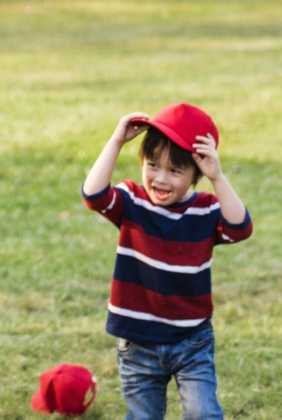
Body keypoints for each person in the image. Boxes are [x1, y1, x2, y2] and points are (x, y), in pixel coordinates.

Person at [81, 103, 252, 419]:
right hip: (137, 343)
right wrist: (116, 141)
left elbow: (240, 229)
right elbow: (93, 196)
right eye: (152, 165)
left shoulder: (205, 210)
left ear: (196, 173)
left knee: (203, 414)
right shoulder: (132, 201)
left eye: (175, 171)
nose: (160, 179)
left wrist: (218, 176)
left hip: (192, 341)